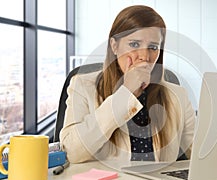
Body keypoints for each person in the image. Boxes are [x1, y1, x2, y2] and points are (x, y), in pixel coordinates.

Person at [60, 5, 195, 166]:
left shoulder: (177, 95)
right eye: (135, 44)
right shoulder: (83, 86)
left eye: (153, 47)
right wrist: (125, 94)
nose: (145, 56)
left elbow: (199, 151)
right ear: (114, 46)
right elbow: (71, 152)